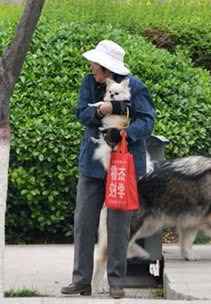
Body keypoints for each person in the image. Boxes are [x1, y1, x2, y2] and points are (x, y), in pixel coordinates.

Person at [61, 40, 156, 299]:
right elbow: (81, 113)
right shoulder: (88, 83)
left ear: (107, 68)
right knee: (83, 222)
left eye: (95, 64)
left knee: (118, 225)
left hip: (123, 166)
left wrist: (123, 132)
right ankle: (80, 280)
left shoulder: (136, 87)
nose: (91, 68)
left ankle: (116, 281)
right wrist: (102, 113)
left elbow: (147, 122)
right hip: (92, 164)